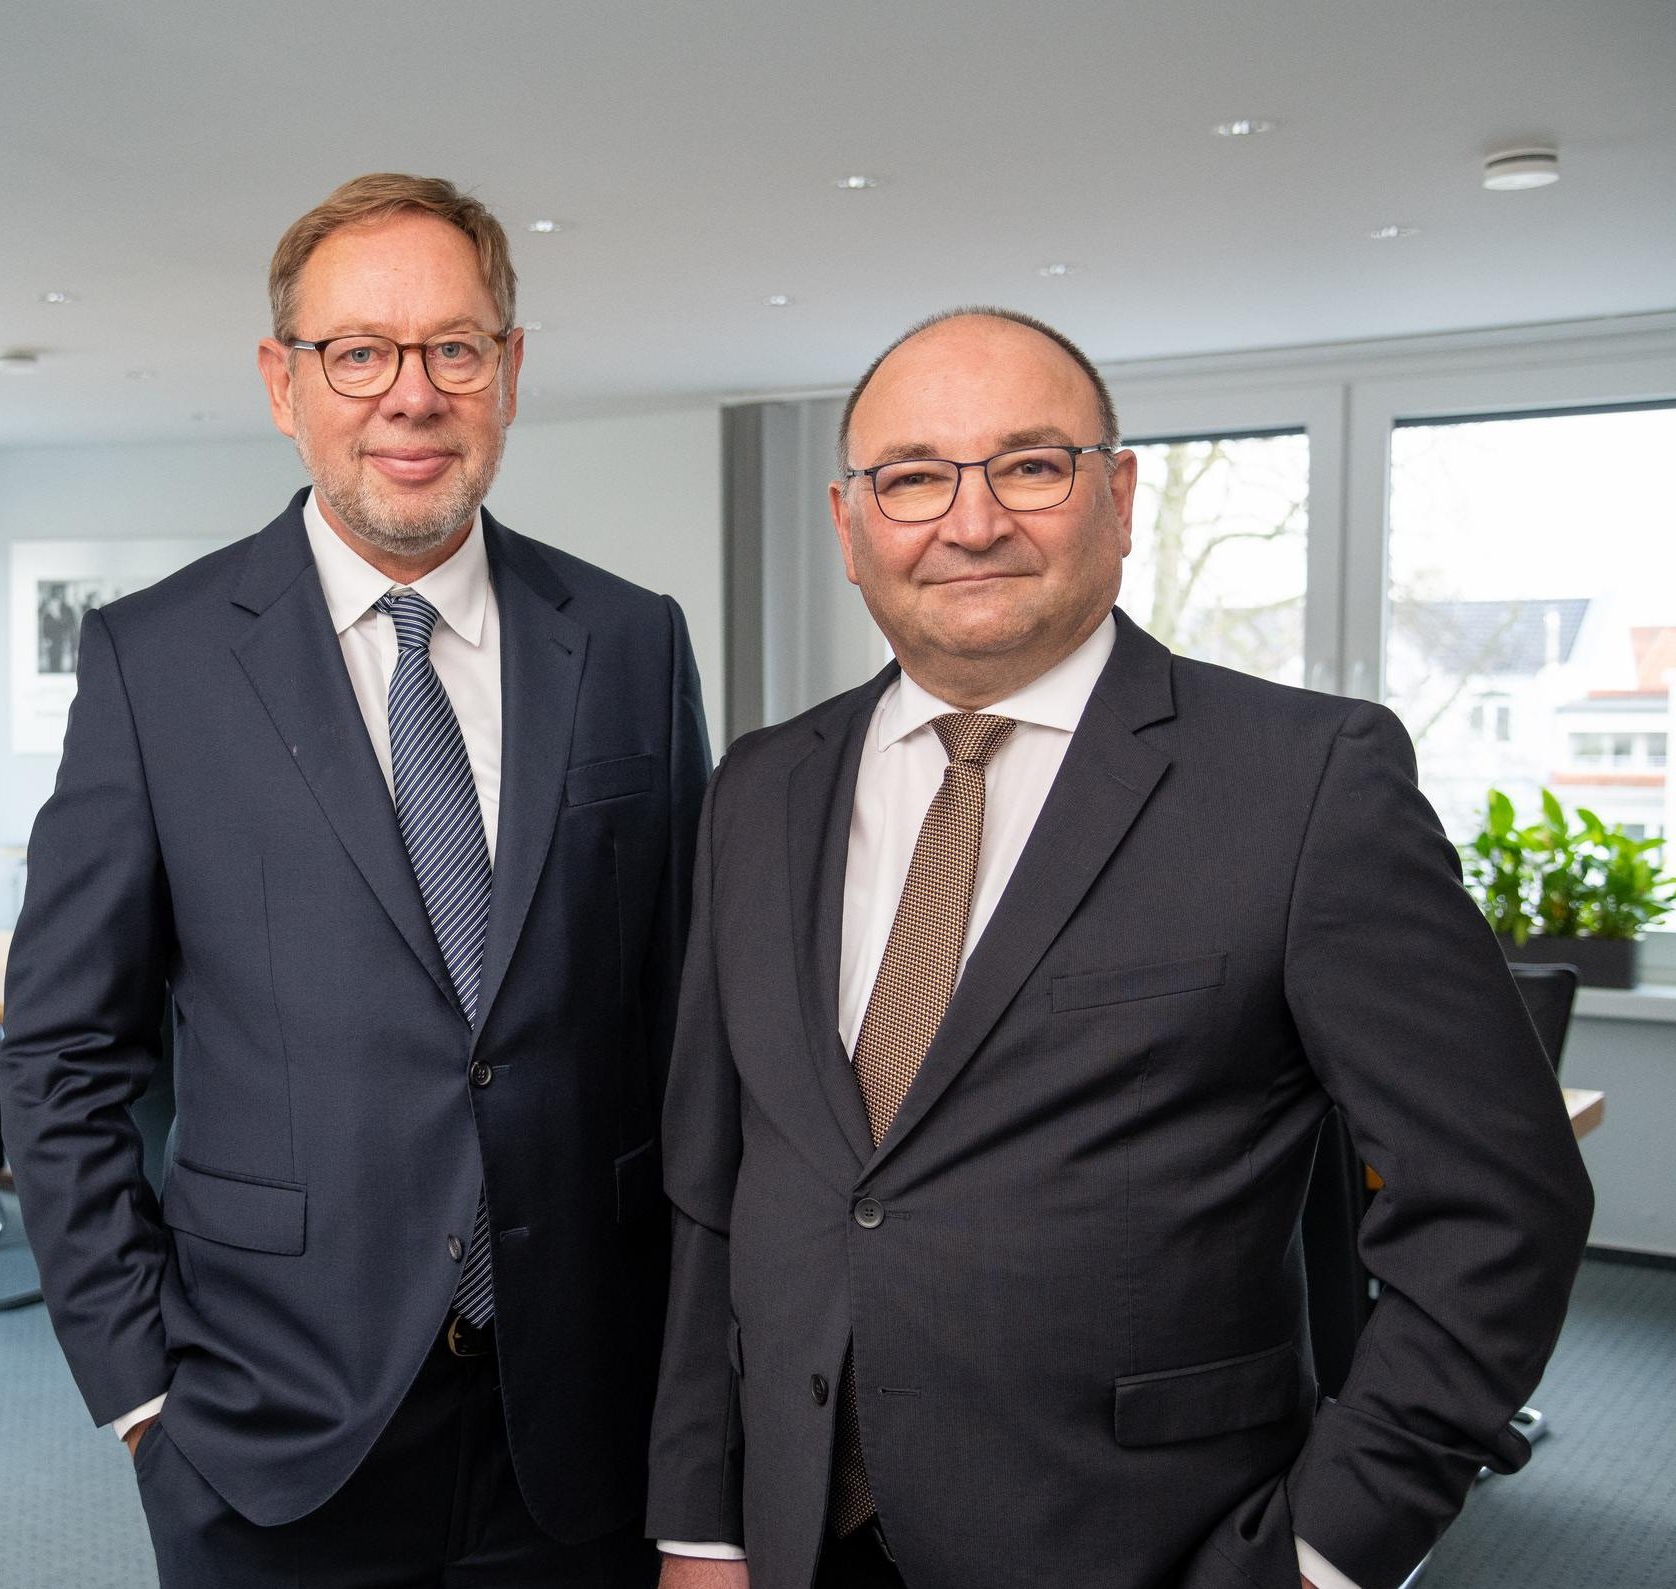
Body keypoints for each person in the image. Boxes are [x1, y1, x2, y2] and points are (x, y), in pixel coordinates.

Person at [646, 308, 1592, 1589]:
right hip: (792, 1535)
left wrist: (1323, 1553)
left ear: (1120, 494)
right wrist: (701, 1522)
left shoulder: (1305, 781)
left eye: (1028, 466)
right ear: (848, 521)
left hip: (1144, 1544)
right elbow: (715, 1183)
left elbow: (1498, 1204)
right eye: (913, 477)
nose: (971, 521)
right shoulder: (759, 787)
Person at [0, 172, 709, 1586]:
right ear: (284, 382)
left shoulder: (631, 639)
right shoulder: (158, 661)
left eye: (454, 348)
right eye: (359, 353)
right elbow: (65, 1048)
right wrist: (142, 1396)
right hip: (269, 1429)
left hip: (585, 1424)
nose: (412, 395)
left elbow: (688, 1030)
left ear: (510, 371)